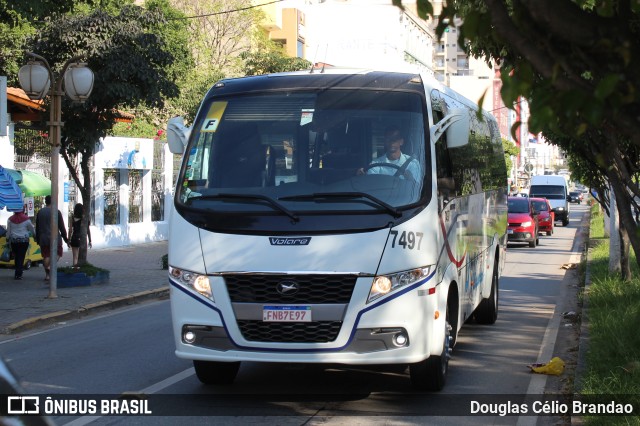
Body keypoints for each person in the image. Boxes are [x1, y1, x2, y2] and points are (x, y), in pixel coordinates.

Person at [35, 195, 70, 281]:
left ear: (45, 202)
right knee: (58, 252)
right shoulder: (56, 212)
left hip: (43, 238)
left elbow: (37, 227)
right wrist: (66, 239)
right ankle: (50, 266)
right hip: (55, 238)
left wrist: (38, 238)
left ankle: (47, 275)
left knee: (46, 255)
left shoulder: (40, 212)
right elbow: (62, 227)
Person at [6, 207, 36, 280]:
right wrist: (35, 236)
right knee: (21, 257)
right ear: (23, 210)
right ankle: (18, 273)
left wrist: (7, 239)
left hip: (14, 241)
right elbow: (32, 229)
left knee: (16, 256)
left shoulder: (10, 219)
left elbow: (8, 231)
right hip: (24, 241)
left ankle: (17, 272)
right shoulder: (26, 219)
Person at [70, 203, 92, 268]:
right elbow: (88, 230)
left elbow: (70, 230)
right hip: (82, 239)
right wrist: (90, 240)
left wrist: (68, 240)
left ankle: (75, 270)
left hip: (74, 238)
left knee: (75, 257)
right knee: (81, 257)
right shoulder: (84, 219)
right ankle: (80, 269)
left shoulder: (72, 218)